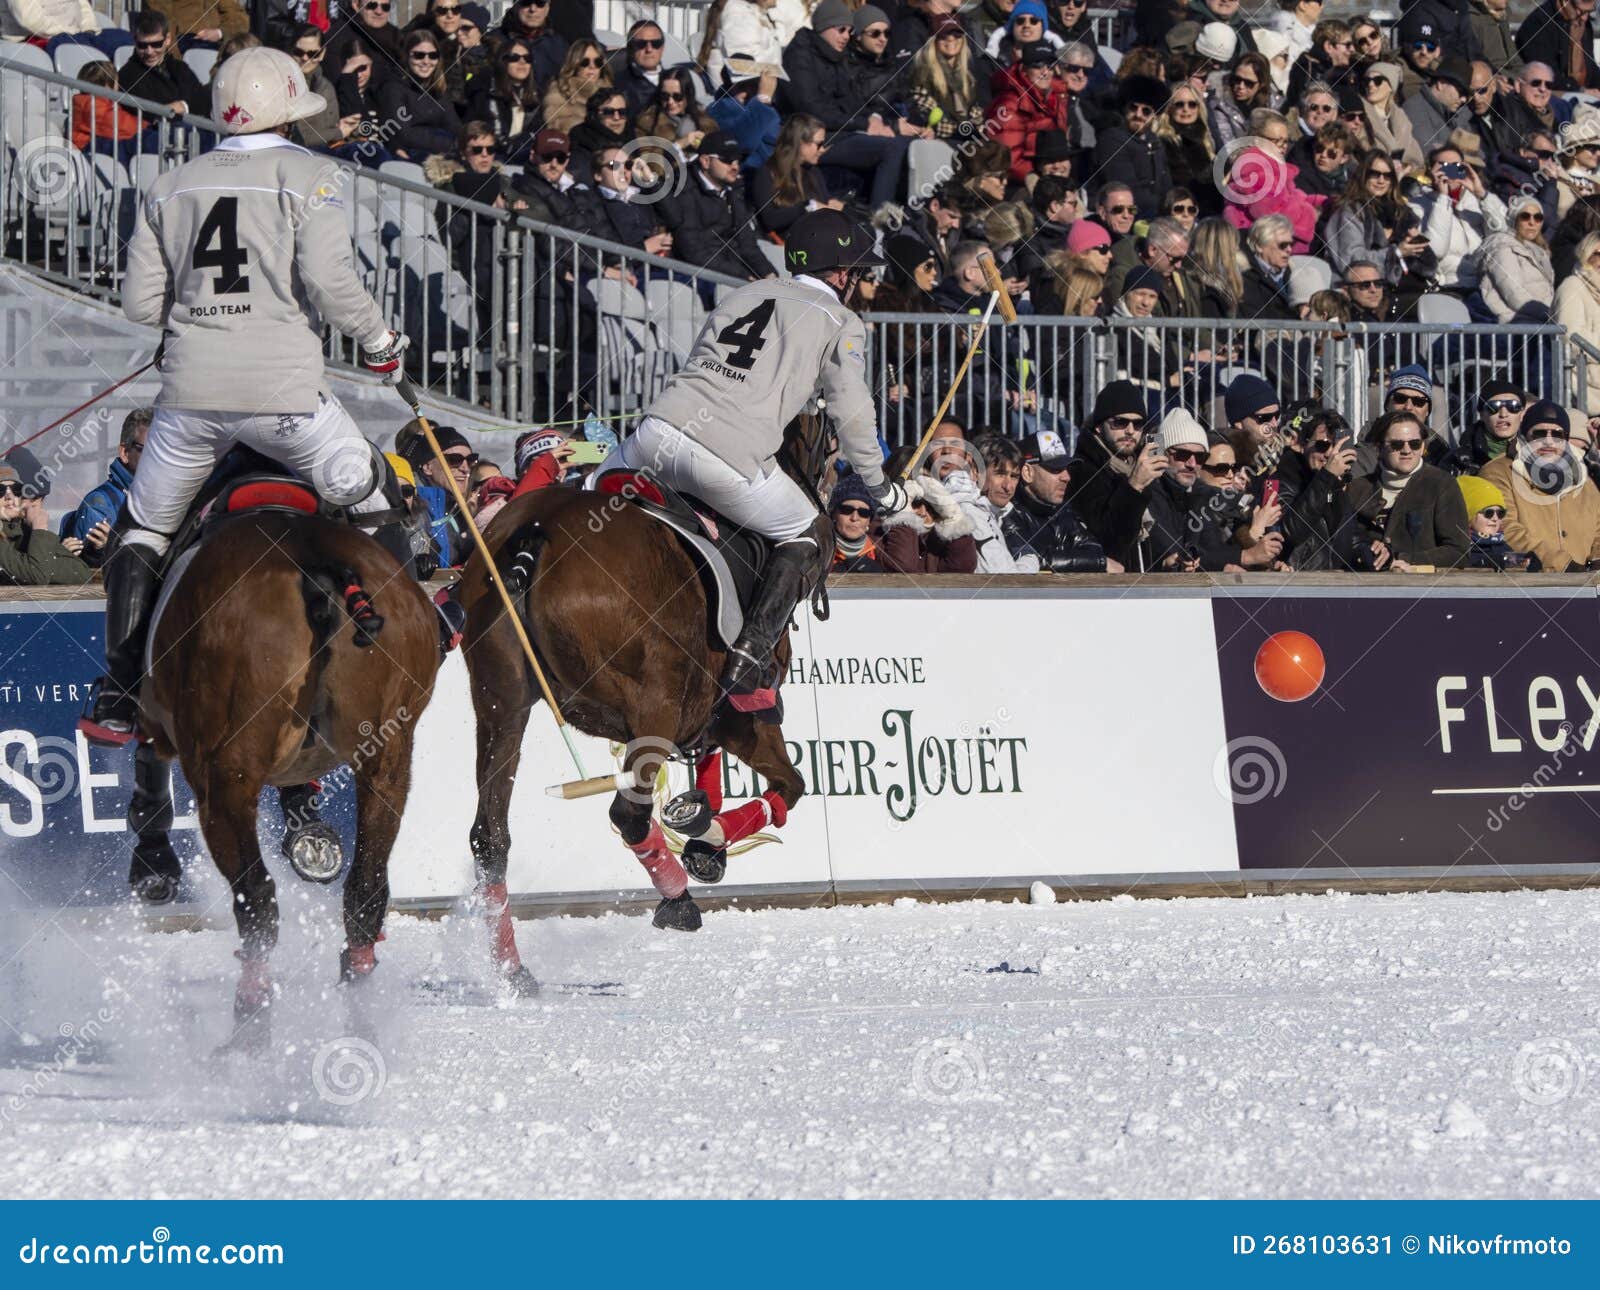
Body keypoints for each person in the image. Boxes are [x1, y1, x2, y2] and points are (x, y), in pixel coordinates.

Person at [80, 48, 411, 746]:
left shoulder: (169, 184)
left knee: (144, 529)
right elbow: (328, 278)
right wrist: (380, 341)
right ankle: (408, 649)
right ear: (287, 114)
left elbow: (142, 305)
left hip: (192, 404)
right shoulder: (313, 174)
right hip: (287, 399)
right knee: (376, 495)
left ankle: (118, 689)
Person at [599, 210, 902, 714]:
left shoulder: (745, 293)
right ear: (843, 275)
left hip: (655, 437)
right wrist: (879, 485)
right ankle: (749, 658)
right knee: (810, 532)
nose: (859, 284)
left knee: (589, 488)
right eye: (858, 273)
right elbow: (851, 411)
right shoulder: (842, 321)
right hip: (726, 459)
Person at [1478, 401, 1600, 570]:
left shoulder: (1583, 480)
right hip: (1529, 584)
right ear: (1525, 435)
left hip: (1584, 586)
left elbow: (1598, 530)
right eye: (1539, 434)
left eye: (1557, 435)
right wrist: (1562, 565)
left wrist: (1596, 560)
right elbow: (1505, 528)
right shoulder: (1497, 473)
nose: (1548, 441)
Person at [1346, 410, 1470, 569]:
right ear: (1379, 447)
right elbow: (1342, 543)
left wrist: (1401, 559)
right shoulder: (1358, 489)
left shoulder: (1441, 484)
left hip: (1422, 588)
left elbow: (1459, 553)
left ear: (1423, 445)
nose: (1407, 450)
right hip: (1363, 587)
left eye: (1415, 443)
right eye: (1397, 444)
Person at [1064, 380, 1161, 568]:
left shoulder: (1137, 468)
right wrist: (1134, 487)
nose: (1130, 430)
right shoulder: (1081, 471)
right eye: (1120, 422)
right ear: (1099, 427)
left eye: (1138, 423)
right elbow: (1110, 544)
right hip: (1106, 590)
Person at [658, 132, 776, 283]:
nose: (735, 166)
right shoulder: (684, 191)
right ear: (706, 161)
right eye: (727, 160)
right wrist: (742, 277)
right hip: (698, 279)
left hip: (733, 275)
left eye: (738, 160)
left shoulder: (732, 191)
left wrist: (769, 273)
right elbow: (693, 252)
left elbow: (747, 244)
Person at [1000, 430, 1112, 570]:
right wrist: (1100, 562)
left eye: (1066, 468)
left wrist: (1095, 560)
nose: (1067, 477)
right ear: (1027, 473)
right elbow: (1030, 560)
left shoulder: (1062, 510)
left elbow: (1094, 549)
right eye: (1056, 469)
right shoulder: (1006, 512)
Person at [59, 408, 150, 566]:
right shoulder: (98, 507)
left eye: (162, 449)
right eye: (147, 449)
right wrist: (104, 548)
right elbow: (88, 577)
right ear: (125, 452)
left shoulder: (168, 498)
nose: (155, 457)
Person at [0, 465, 93, 587]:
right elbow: (36, 576)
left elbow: (82, 573)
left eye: (16, 489)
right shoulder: (37, 532)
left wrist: (42, 558)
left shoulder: (24, 531)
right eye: (0, 490)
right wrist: (40, 529)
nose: (9, 496)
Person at [876, 474, 979, 573]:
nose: (923, 513)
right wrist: (902, 511)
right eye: (915, 504)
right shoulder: (876, 530)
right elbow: (902, 565)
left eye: (931, 507)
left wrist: (954, 518)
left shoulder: (937, 541)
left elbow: (964, 566)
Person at [1477, 194, 1555, 321]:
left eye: (1538, 217)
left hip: (1538, 323)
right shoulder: (1503, 248)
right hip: (1514, 326)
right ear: (1514, 219)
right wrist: (1550, 316)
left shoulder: (1540, 252)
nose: (1532, 222)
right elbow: (1514, 294)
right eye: (1525, 216)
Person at [1442, 381, 1526, 473]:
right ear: (1482, 415)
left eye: (1513, 406)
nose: (1503, 414)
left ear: (1522, 414)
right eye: (1493, 407)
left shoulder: (1534, 457)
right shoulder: (1457, 460)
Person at [1458, 475, 1538, 569]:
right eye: (1488, 513)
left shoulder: (1503, 546)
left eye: (1500, 513)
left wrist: (1527, 564)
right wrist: (1481, 564)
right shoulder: (1457, 546)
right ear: (1468, 515)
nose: (1495, 518)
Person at [827, 472, 884, 571]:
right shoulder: (818, 551)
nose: (854, 518)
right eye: (847, 510)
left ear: (869, 520)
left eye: (863, 512)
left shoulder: (878, 553)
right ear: (834, 514)